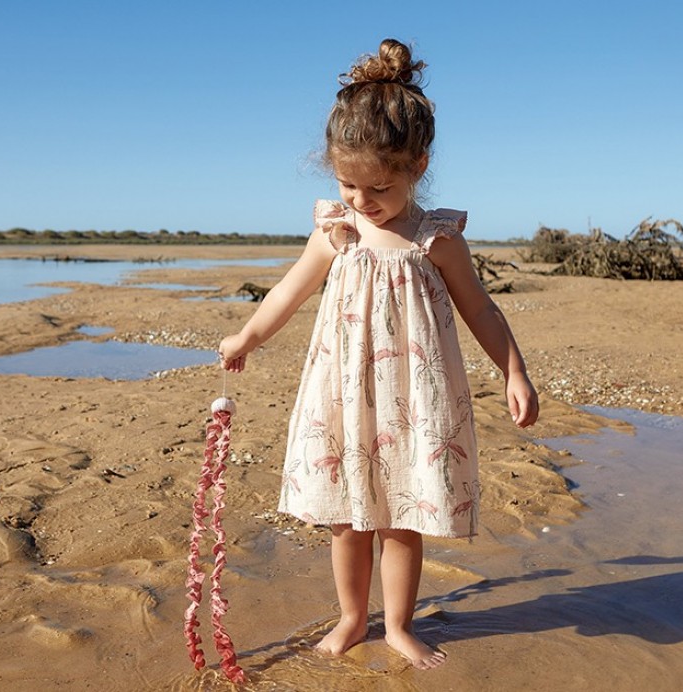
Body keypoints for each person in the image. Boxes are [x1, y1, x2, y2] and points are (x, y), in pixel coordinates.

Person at [218, 38, 538, 670]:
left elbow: (480, 309)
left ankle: (397, 624)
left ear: (418, 166)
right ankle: (349, 618)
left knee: (402, 516)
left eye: (380, 187)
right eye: (348, 184)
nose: (363, 200)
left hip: (415, 398)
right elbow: (289, 289)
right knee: (347, 516)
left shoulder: (435, 240)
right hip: (343, 392)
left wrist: (514, 370)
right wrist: (248, 336)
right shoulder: (335, 230)